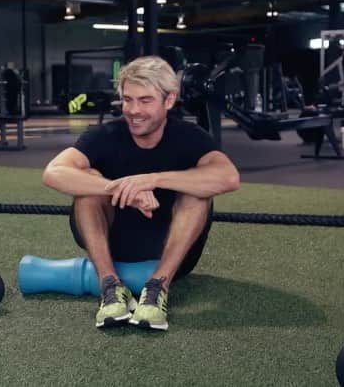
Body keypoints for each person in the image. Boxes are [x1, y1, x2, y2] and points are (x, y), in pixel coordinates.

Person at [42, 56, 240, 330]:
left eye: (145, 100)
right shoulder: (104, 135)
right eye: (128, 99)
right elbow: (53, 172)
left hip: (170, 251)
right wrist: (119, 187)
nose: (134, 110)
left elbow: (228, 177)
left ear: (169, 100)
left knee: (198, 191)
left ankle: (157, 287)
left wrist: (152, 180)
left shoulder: (190, 137)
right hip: (113, 245)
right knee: (86, 183)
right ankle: (110, 286)